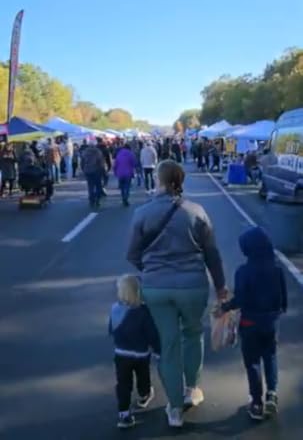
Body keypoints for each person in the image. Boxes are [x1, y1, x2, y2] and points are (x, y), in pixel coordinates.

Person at [127, 160, 227, 428]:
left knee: (168, 344)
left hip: (156, 288)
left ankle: (173, 409)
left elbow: (133, 254)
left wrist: (150, 271)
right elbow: (212, 254)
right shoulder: (197, 212)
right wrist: (220, 287)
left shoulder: (142, 213)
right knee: (193, 334)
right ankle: (192, 389)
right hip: (193, 286)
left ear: (158, 181)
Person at [221, 227, 287, 421]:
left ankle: (256, 402)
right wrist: (278, 312)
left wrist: (224, 308)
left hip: (250, 323)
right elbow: (283, 299)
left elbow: (240, 299)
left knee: (252, 363)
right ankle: (272, 394)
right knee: (270, 357)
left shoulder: (243, 271)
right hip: (270, 322)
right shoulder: (277, 269)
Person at [109, 274, 160, 429]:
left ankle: (124, 414)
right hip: (140, 354)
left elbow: (111, 329)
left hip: (121, 353)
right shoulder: (144, 311)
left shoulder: (115, 308)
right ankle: (144, 395)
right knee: (143, 375)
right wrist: (158, 350)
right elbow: (152, 334)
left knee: (123, 383)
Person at [81, 143, 105, 209]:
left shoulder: (85, 152)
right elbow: (101, 162)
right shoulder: (98, 152)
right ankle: (97, 199)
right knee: (98, 185)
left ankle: (91, 200)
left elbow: (82, 163)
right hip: (96, 171)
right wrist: (102, 171)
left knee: (90, 186)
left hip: (88, 171)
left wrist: (83, 169)